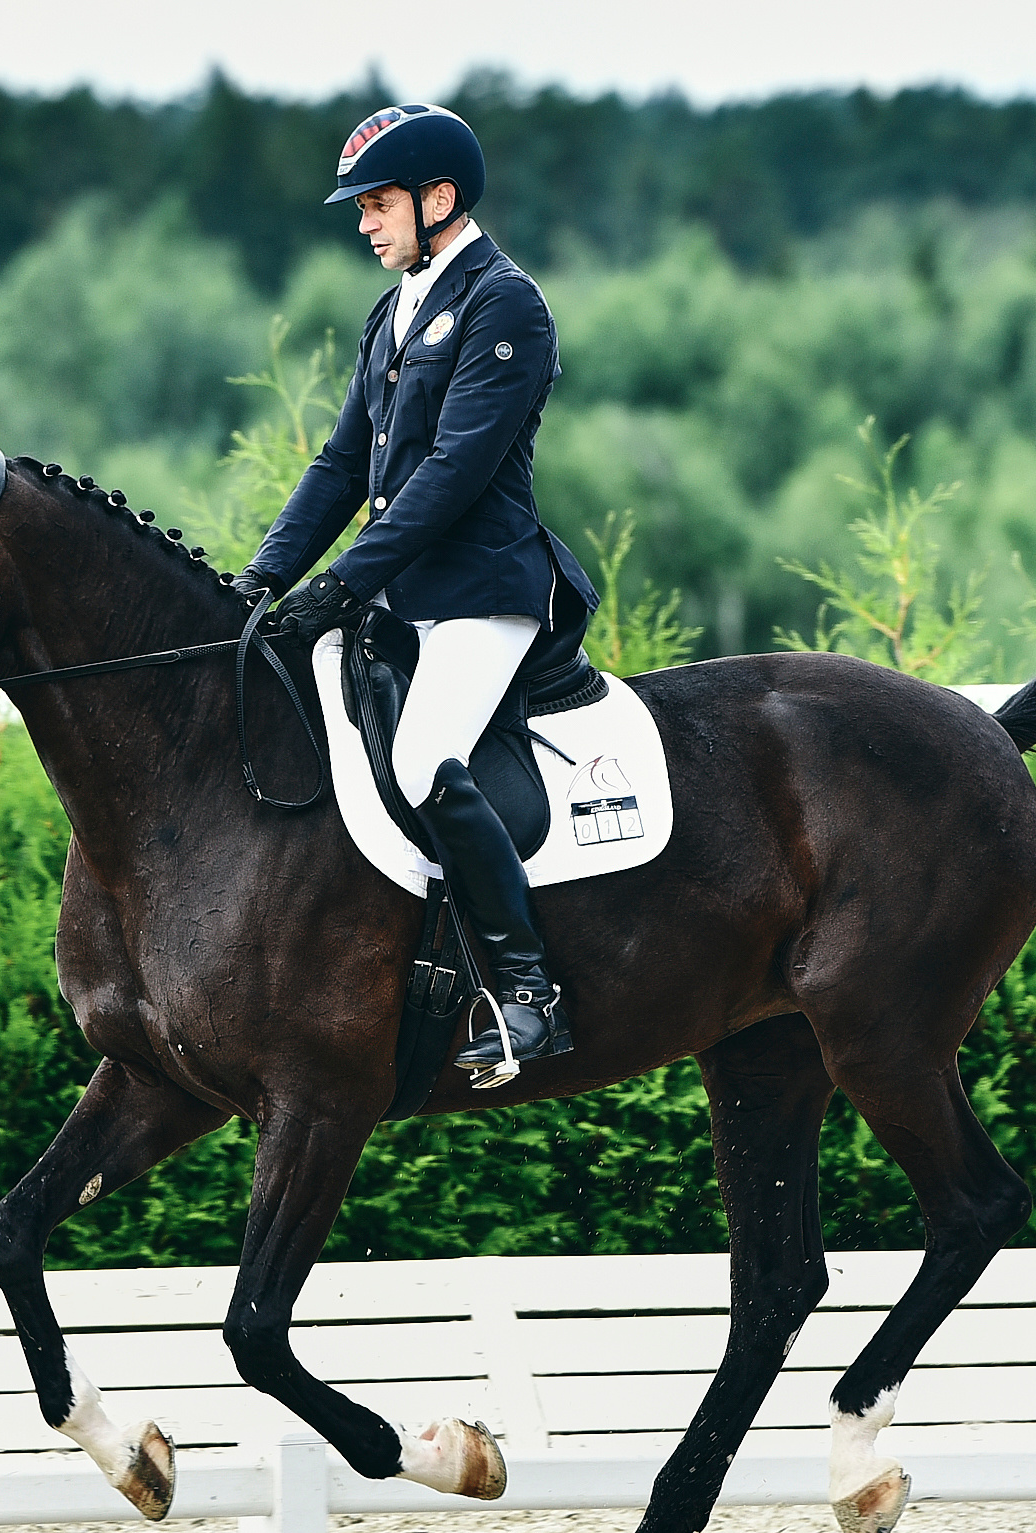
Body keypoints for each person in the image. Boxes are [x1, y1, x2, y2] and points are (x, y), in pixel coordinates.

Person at [235, 103, 599, 1083]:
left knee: (423, 757)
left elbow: (452, 474)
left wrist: (342, 582)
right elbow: (340, 463)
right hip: (401, 599)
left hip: (482, 593)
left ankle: (528, 998)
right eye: (361, 208)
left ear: (439, 199)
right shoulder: (394, 308)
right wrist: (263, 578)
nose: (364, 224)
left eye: (378, 204)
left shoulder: (505, 305)